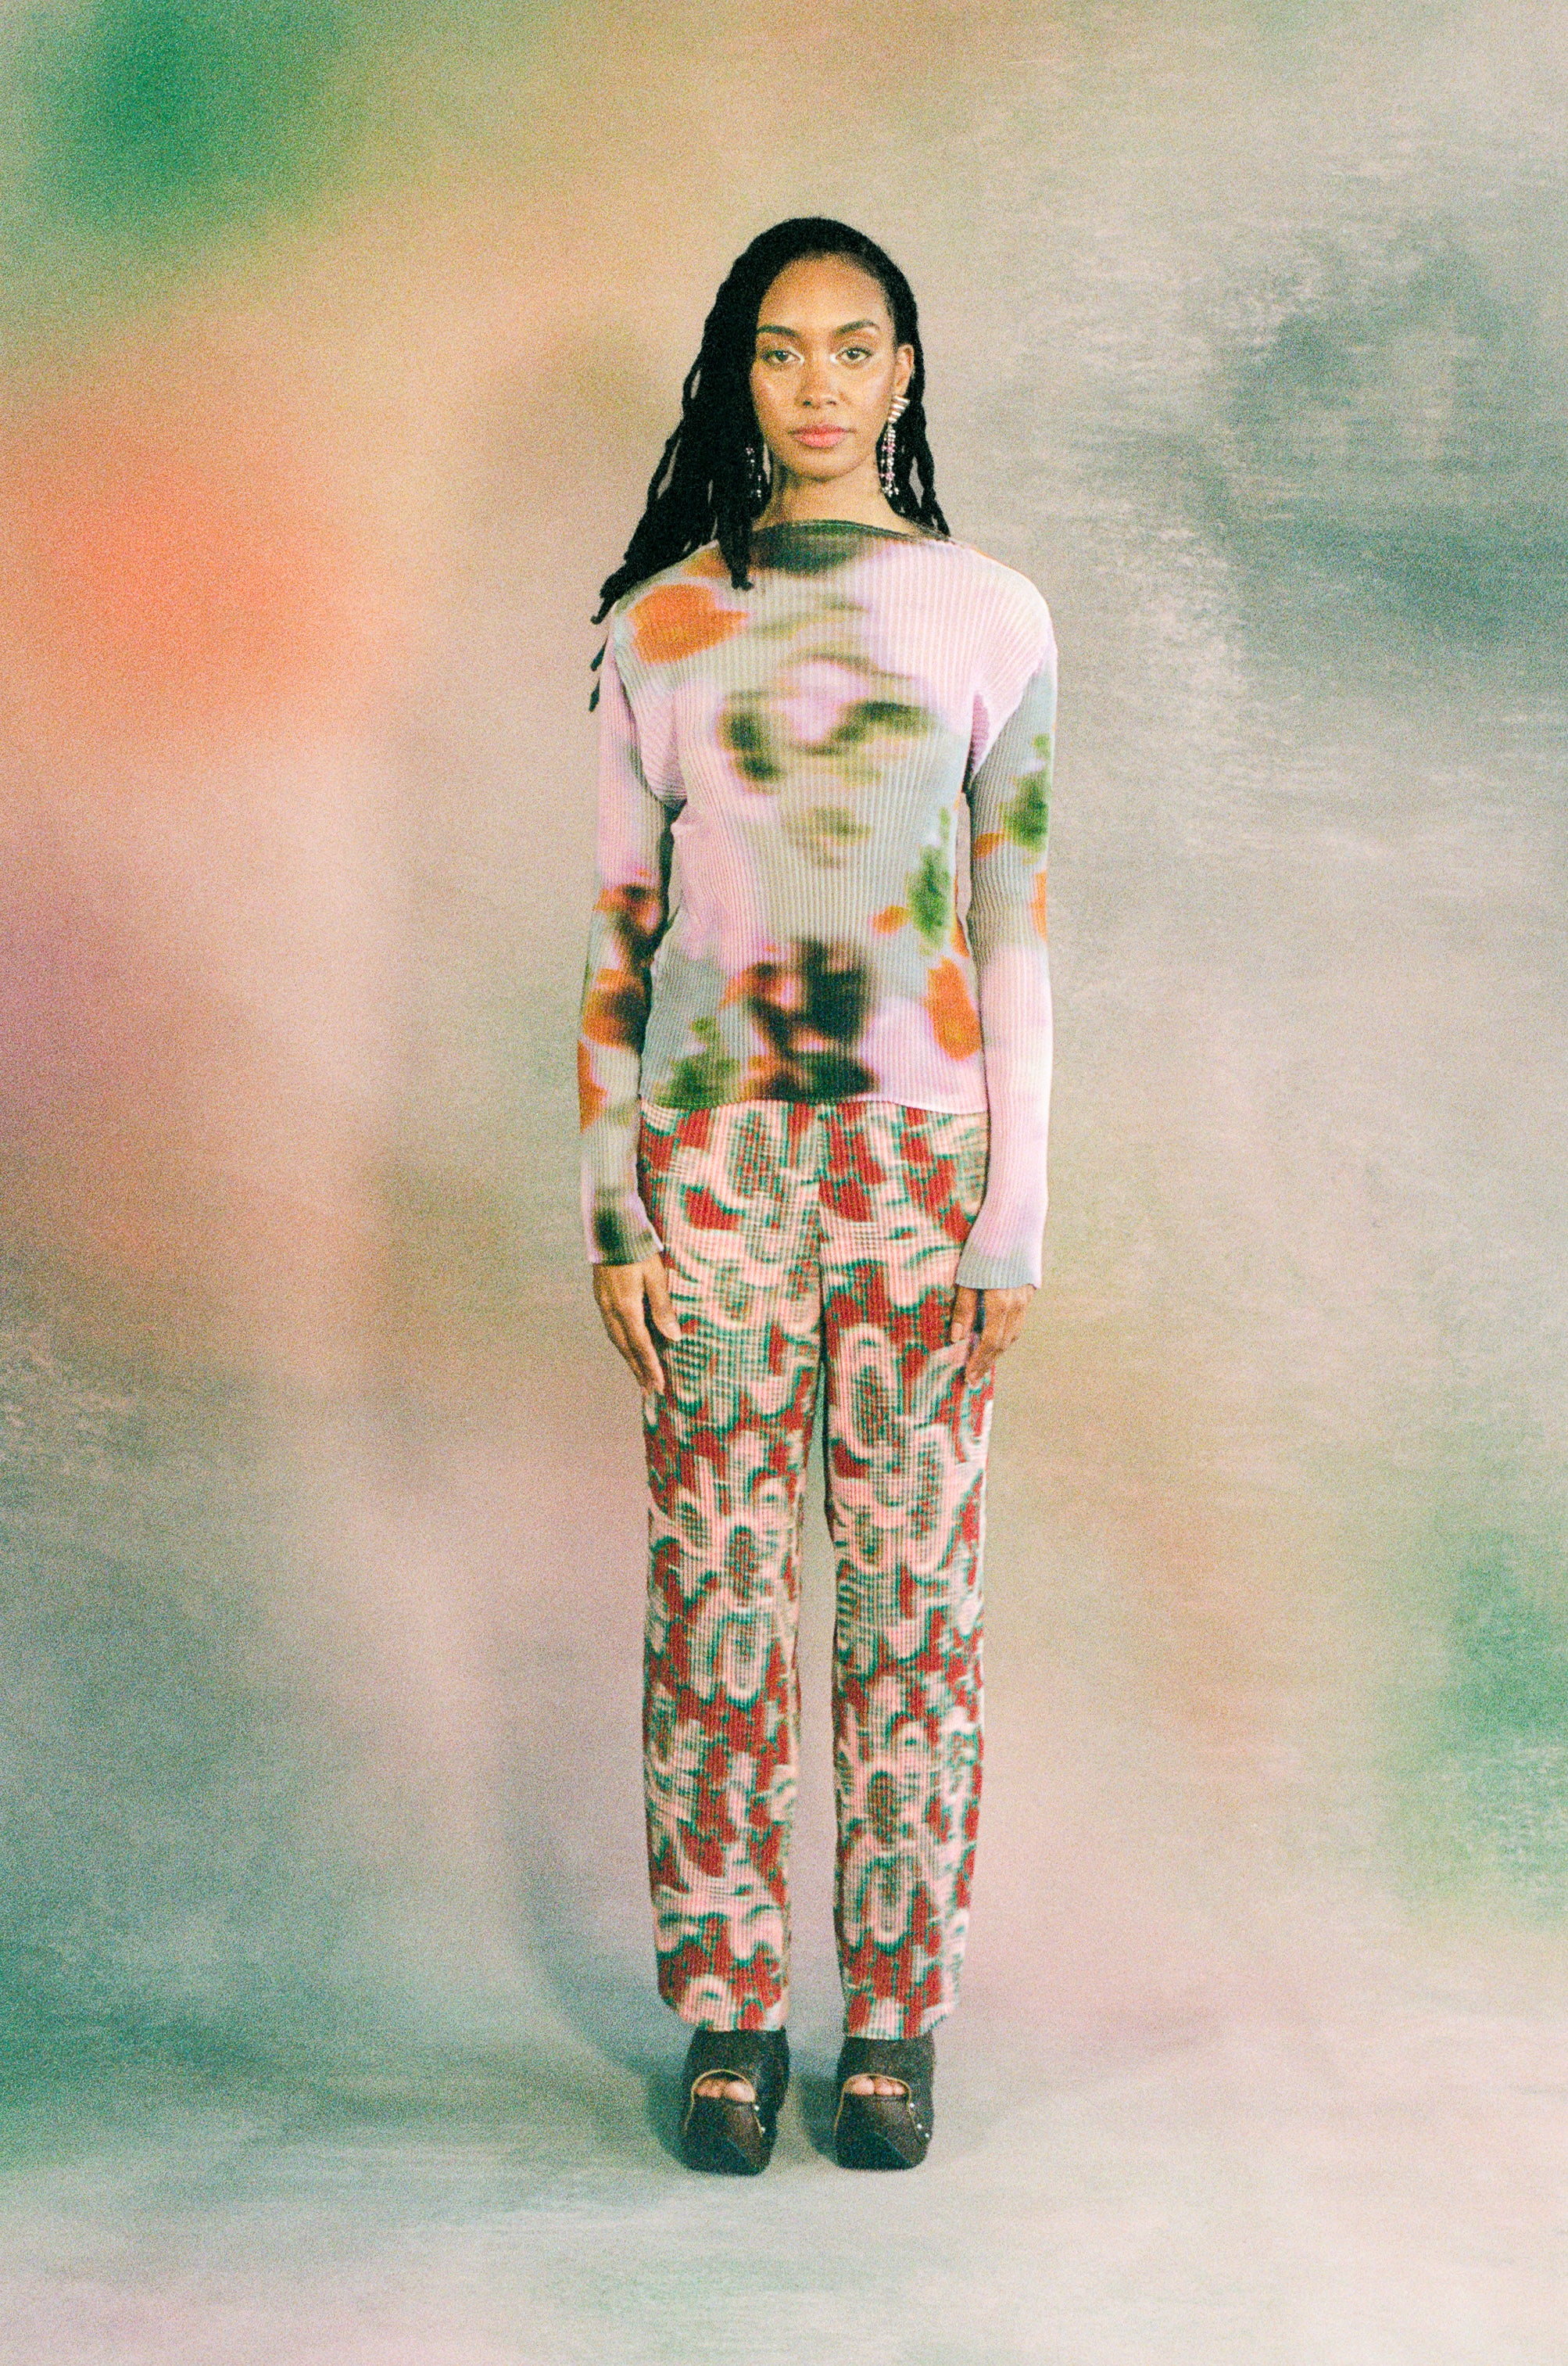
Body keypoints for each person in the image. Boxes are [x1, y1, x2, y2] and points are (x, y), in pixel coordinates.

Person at [578, 216, 1055, 2173]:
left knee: (910, 1603)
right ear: (739, 377)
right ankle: (727, 2014)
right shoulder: (659, 627)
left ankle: (894, 2023)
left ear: (905, 371)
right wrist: (611, 1202)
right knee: (714, 1596)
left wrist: (1014, 1214)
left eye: (856, 348)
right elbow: (616, 933)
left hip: (921, 1170)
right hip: (710, 1170)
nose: (821, 385)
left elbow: (1015, 928)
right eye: (782, 351)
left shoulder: (993, 615)